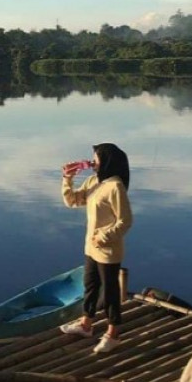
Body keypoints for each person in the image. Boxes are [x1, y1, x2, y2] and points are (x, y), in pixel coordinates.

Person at [59, 143, 133, 354]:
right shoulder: (93, 181)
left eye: (96, 159)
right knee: (90, 286)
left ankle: (113, 333)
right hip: (91, 248)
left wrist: (104, 236)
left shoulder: (115, 187)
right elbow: (72, 201)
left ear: (107, 161)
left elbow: (125, 221)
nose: (93, 162)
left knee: (110, 292)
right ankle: (86, 324)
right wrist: (67, 179)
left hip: (108, 250)